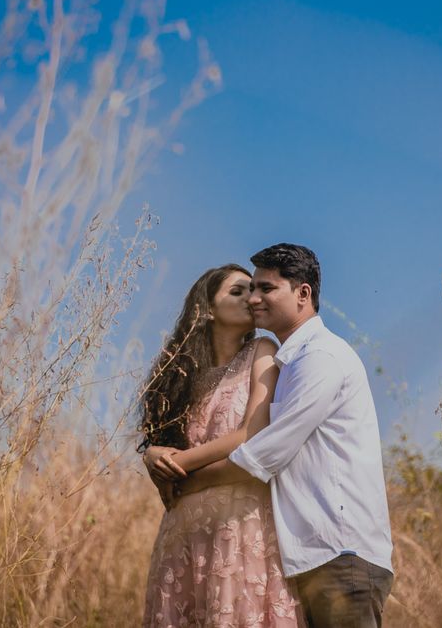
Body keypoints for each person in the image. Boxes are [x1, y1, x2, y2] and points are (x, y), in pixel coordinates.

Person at [177, 244, 395, 628]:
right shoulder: (290, 362)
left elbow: (267, 453)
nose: (255, 299)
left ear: (303, 294)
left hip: (341, 555)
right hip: (313, 559)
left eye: (266, 288)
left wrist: (186, 481)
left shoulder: (321, 358)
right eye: (251, 289)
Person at [138, 264, 302, 627]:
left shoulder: (262, 349)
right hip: (183, 527)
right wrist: (151, 455)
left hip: (239, 524)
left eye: (256, 291)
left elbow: (249, 434)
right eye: (238, 291)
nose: (252, 298)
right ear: (208, 309)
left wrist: (175, 463)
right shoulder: (180, 374)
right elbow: (159, 444)